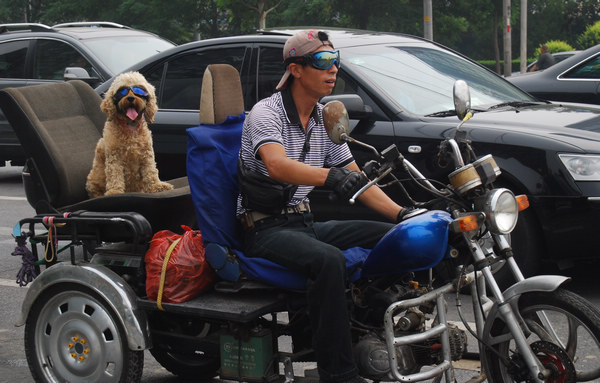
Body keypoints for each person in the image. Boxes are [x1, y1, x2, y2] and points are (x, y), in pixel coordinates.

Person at [236, 29, 421, 383]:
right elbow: (277, 164)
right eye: (323, 62)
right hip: (264, 228)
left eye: (335, 61)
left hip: (304, 224)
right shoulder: (266, 113)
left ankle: (369, 325)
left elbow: (358, 180)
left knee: (395, 238)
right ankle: (338, 373)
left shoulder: (326, 119)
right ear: (296, 69)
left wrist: (403, 215)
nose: (333, 69)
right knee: (329, 261)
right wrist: (330, 177)